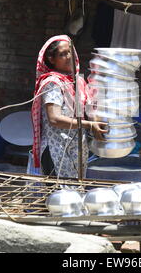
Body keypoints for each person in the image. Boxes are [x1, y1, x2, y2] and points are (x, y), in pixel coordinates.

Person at [31, 35, 107, 178]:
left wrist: (97, 124)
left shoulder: (78, 81)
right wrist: (90, 125)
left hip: (77, 150)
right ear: (52, 59)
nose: (68, 57)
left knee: (75, 196)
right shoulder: (53, 83)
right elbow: (54, 118)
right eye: (62, 54)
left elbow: (89, 108)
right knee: (58, 197)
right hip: (57, 150)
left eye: (70, 52)